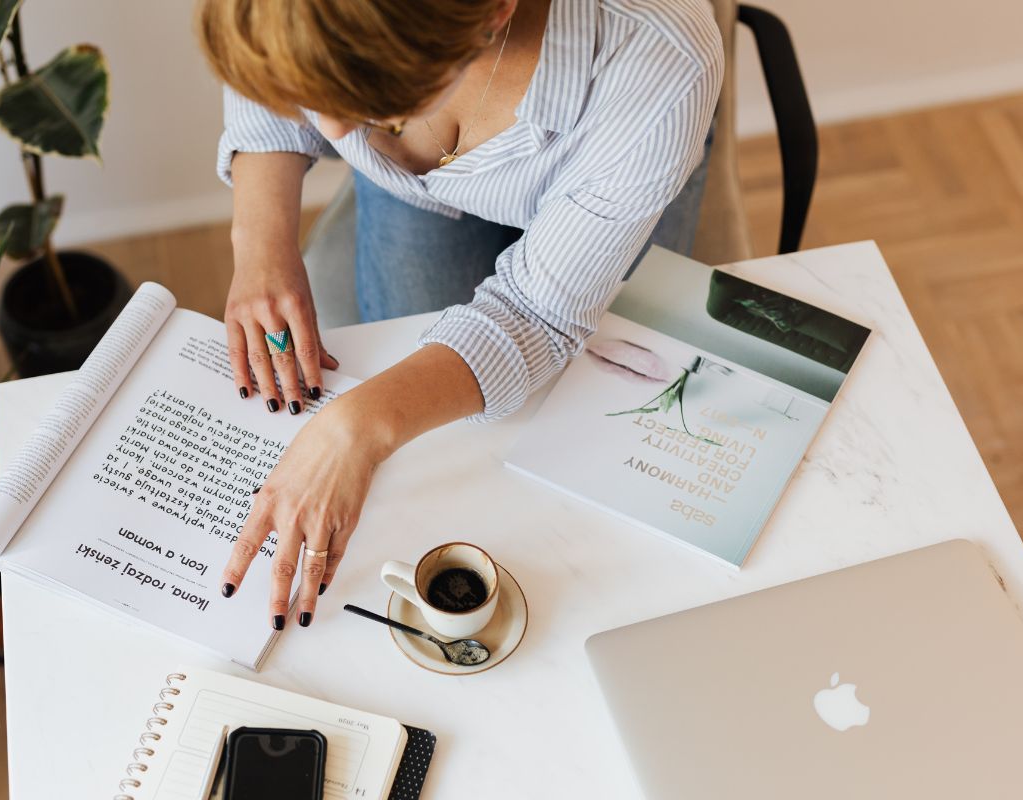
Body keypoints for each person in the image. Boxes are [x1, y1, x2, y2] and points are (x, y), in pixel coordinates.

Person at [198, 0, 723, 631]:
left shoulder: (659, 59)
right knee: (441, 437)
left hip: (614, 137)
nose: (332, 131)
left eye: (373, 104)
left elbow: (538, 312)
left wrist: (355, 427)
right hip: (412, 187)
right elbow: (273, 68)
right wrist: (260, 244)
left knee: (578, 410)